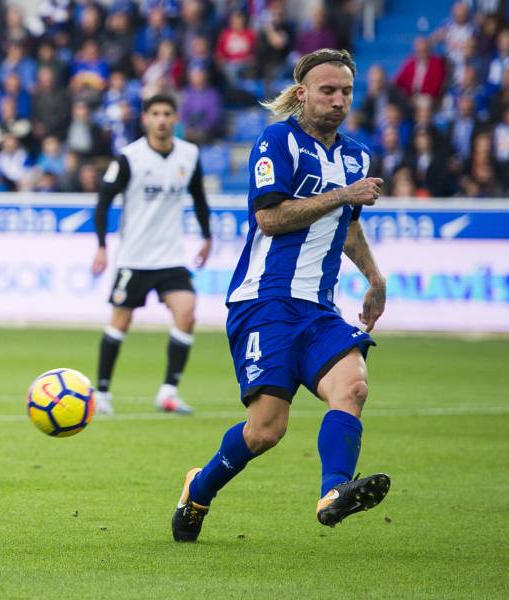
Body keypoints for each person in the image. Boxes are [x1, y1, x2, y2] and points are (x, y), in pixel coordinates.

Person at [171, 49, 390, 542]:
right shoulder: (277, 142)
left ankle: (334, 491)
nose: (338, 101)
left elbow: (347, 227)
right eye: (327, 91)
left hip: (319, 308)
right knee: (266, 430)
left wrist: (375, 278)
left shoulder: (356, 154)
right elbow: (269, 218)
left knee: (352, 386)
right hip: (264, 302)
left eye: (346, 92)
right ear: (301, 94)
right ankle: (198, 489)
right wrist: (342, 194)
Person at [91, 93, 212, 416]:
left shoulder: (189, 154)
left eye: (167, 113)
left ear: (175, 118)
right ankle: (102, 392)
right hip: (135, 256)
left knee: (187, 314)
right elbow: (103, 201)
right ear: (145, 119)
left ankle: (168, 392)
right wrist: (102, 245)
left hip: (171, 255)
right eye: (155, 113)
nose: (161, 119)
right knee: (121, 320)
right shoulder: (129, 158)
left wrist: (207, 236)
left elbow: (199, 197)